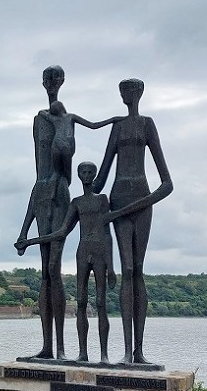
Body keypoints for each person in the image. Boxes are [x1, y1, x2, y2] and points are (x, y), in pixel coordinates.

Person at [15, 67, 120, 360]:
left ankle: (60, 347)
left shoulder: (66, 122)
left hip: (58, 192)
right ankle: (49, 346)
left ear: (61, 83)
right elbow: (37, 181)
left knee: (53, 271)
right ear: (44, 83)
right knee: (45, 276)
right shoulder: (39, 121)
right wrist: (24, 231)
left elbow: (66, 160)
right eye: (47, 80)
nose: (51, 85)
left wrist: (64, 139)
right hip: (42, 191)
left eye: (55, 80)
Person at [93, 79, 173, 365]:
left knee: (138, 270)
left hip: (140, 200)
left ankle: (138, 351)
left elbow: (167, 184)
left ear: (139, 93)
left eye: (131, 90)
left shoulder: (147, 125)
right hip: (118, 198)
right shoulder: (116, 127)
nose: (127, 95)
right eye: (122, 91)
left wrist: (134, 206)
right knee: (127, 268)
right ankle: (127, 352)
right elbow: (100, 178)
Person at [16, 161, 117, 363]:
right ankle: (83, 353)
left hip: (99, 251)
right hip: (83, 251)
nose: (87, 175)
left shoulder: (102, 200)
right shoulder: (76, 203)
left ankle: (104, 354)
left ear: (95, 175)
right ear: (79, 175)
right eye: (83, 172)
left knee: (101, 303)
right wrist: (30, 241)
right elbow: (61, 232)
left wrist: (111, 267)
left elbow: (107, 233)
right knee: (81, 302)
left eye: (90, 172)